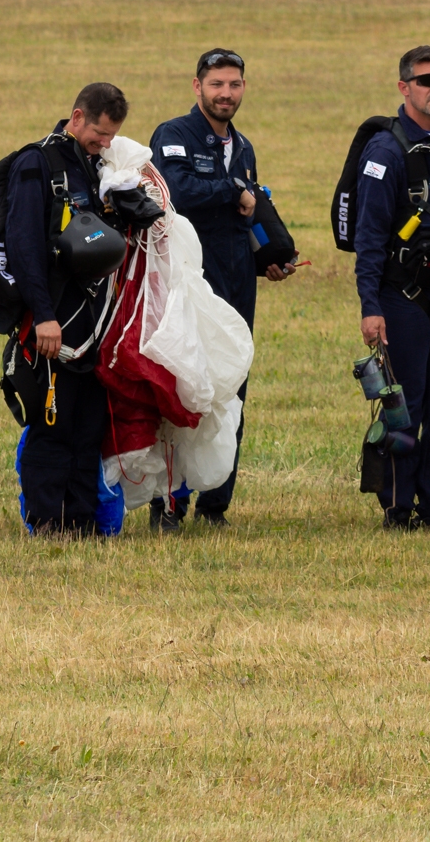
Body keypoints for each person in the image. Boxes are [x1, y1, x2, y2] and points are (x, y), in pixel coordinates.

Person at [146, 49, 293, 531]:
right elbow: (176, 192)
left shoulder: (243, 147)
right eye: (216, 85)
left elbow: (242, 219)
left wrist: (265, 261)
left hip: (234, 285)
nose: (225, 94)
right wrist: (234, 190)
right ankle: (168, 505)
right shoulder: (173, 136)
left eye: (234, 85)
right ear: (197, 87)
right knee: (182, 388)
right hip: (186, 285)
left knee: (231, 385)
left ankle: (215, 505)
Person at [350, 46, 430, 532]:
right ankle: (398, 505)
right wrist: (370, 306)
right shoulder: (386, 151)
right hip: (401, 298)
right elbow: (368, 237)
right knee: (407, 409)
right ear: (404, 87)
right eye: (426, 80)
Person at [2, 83, 127, 534]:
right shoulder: (37, 164)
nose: (105, 142)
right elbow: (24, 246)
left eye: (112, 136)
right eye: (98, 132)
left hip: (94, 324)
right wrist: (42, 316)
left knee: (88, 428)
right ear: (76, 117)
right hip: (53, 322)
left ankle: (80, 522)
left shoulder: (98, 169)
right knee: (53, 426)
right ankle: (47, 523)